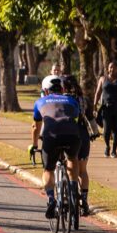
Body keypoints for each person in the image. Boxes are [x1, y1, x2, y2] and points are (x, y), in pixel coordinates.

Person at [31, 75, 81, 219]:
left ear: (46, 91)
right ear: (63, 89)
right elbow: (75, 116)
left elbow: (36, 126)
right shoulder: (72, 100)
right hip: (72, 135)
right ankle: (72, 191)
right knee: (72, 159)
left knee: (48, 170)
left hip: (51, 137)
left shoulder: (40, 101)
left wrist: (35, 145)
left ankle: (51, 199)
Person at [62, 75, 93, 215]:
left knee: (69, 165)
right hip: (83, 134)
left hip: (68, 133)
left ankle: (69, 196)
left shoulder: (63, 99)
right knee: (83, 170)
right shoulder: (83, 99)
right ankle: (84, 201)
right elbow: (90, 117)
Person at [93, 61, 117, 158]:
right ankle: (107, 146)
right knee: (106, 130)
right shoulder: (102, 79)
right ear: (107, 69)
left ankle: (114, 150)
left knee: (116, 130)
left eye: (114, 68)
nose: (112, 69)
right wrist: (94, 105)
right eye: (110, 67)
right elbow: (98, 93)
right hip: (106, 108)